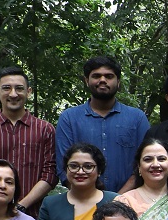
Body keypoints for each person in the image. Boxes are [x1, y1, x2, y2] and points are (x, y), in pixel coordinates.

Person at [0, 66, 56, 215]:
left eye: (19, 88)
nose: (13, 94)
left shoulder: (45, 129)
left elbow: (50, 174)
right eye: (7, 88)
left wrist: (21, 205)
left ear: (28, 92)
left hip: (34, 214)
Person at [54, 56, 151, 193]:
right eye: (96, 76)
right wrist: (91, 199)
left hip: (130, 202)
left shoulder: (137, 118)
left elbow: (145, 164)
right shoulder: (69, 118)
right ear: (87, 81)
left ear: (118, 82)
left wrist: (117, 201)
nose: (102, 80)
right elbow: (64, 167)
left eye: (109, 76)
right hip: (83, 203)